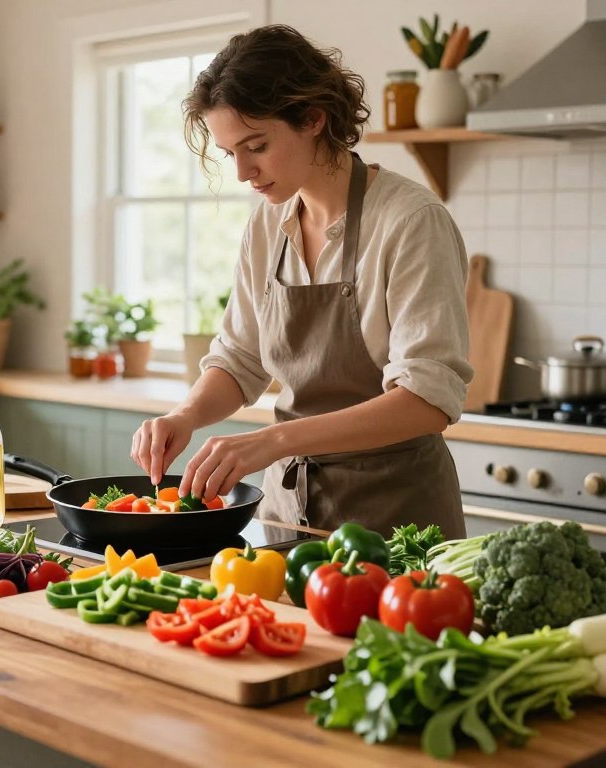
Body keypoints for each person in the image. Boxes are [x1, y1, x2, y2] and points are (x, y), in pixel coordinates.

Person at [129, 24, 473, 538]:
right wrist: (185, 415)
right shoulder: (268, 224)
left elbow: (427, 400)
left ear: (314, 118)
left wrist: (276, 441)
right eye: (231, 154)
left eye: (257, 146)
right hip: (290, 518)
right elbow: (240, 359)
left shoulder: (410, 220)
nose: (244, 172)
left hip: (398, 525)